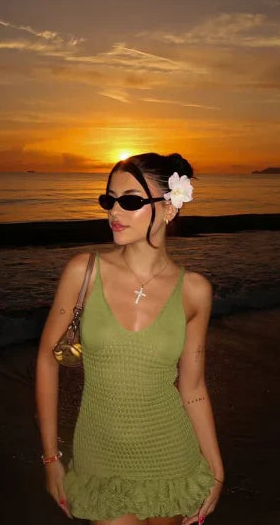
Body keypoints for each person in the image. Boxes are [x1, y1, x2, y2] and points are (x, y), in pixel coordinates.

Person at [36, 152, 224, 525]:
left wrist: (216, 469)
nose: (114, 212)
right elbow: (46, 359)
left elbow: (193, 387)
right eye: (109, 200)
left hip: (171, 456)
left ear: (169, 207)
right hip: (100, 459)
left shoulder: (195, 291)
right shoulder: (84, 272)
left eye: (131, 201)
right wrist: (51, 458)